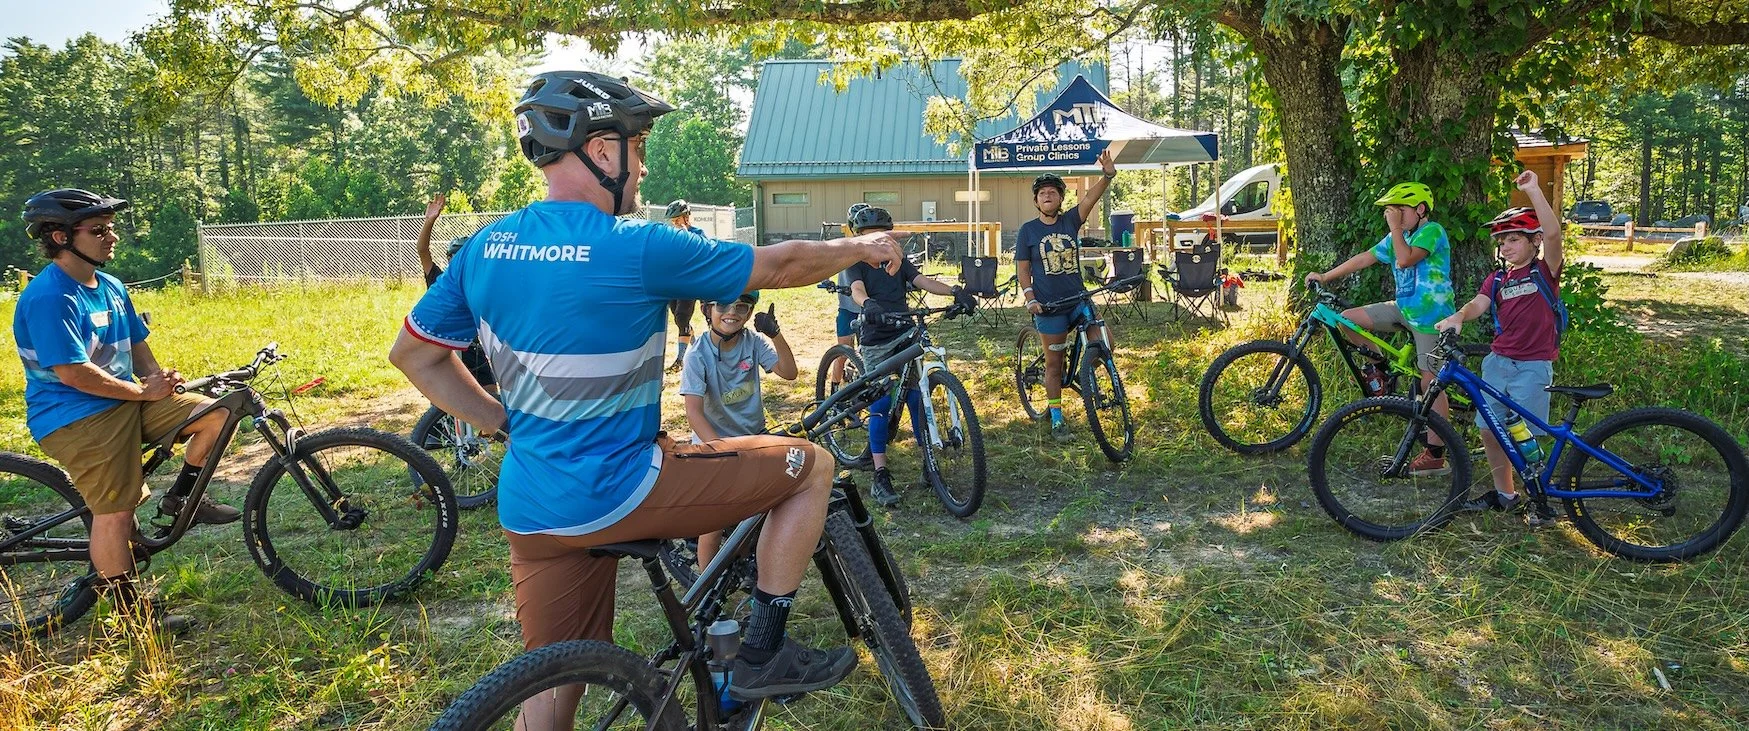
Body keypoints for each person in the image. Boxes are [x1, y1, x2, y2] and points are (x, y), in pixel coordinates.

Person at [387, 70, 907, 728]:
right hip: (621, 487)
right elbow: (779, 265)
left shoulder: (486, 247)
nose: (643, 167)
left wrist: (500, 421)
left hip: (532, 508)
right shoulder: (636, 244)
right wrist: (858, 245)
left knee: (553, 686)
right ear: (601, 151)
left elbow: (414, 355)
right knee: (812, 466)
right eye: (638, 148)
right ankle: (762, 652)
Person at [13, 188, 238, 631]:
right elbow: (74, 373)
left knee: (218, 414)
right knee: (116, 512)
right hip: (74, 415)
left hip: (124, 401)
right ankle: (133, 618)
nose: (111, 237)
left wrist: (158, 380)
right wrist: (142, 393)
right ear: (60, 237)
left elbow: (136, 345)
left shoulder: (111, 286)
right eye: (99, 230)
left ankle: (181, 499)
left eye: (111, 228)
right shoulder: (50, 297)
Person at [1438, 170, 1565, 525]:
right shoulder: (1497, 279)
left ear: (1534, 242)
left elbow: (1554, 234)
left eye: (1514, 239)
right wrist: (1459, 317)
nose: (1506, 246)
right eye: (1502, 241)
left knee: (1525, 435)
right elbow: (1478, 303)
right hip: (1498, 362)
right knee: (1489, 428)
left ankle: (1539, 499)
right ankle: (1505, 495)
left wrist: (1534, 190)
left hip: (1533, 365)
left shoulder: (1545, 271)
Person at [1304, 181, 1456, 475]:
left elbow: (1405, 259)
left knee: (1431, 383)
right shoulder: (1400, 235)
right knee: (1347, 318)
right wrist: (1325, 276)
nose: (1394, 215)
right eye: (1392, 211)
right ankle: (1380, 370)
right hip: (1404, 309)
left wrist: (1395, 228)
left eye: (1400, 209)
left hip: (1431, 318)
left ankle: (1436, 455)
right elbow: (1366, 257)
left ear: (1420, 209)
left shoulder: (1432, 231)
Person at [844, 206, 978, 507]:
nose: (877, 240)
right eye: (870, 235)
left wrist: (955, 291)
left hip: (904, 331)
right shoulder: (857, 262)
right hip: (877, 337)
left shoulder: (898, 260)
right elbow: (856, 289)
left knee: (918, 398)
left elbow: (922, 281)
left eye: (882, 234)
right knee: (880, 403)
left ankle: (928, 460)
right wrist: (867, 305)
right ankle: (880, 474)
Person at [678, 291, 797, 566]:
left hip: (754, 437)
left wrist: (775, 334)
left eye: (741, 307)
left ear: (749, 314)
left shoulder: (753, 343)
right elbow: (694, 413)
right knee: (715, 519)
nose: (731, 312)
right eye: (723, 305)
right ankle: (706, 582)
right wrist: (722, 450)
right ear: (707, 310)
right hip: (715, 444)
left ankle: (746, 561)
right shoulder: (697, 355)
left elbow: (789, 372)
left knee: (767, 503)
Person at [1015, 151, 1117, 442]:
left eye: (1052, 192)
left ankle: (1084, 373)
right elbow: (1023, 270)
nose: (1047, 196)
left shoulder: (1070, 221)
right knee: (1054, 365)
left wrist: (1107, 176)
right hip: (1049, 307)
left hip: (1078, 301)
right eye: (1042, 193)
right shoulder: (1028, 231)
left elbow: (1090, 199)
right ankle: (1057, 419)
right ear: (1036, 201)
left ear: (1060, 198)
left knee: (1106, 343)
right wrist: (1030, 298)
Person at [413, 193, 497, 393]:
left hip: (474, 350)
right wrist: (429, 221)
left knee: (492, 398)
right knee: (450, 402)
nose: (458, 262)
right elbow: (423, 250)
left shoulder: (480, 283)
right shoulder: (441, 281)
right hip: (446, 349)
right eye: (454, 257)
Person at [826, 203, 871, 390]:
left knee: (870, 351)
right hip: (847, 306)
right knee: (843, 351)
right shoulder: (845, 247)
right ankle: (834, 389)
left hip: (868, 307)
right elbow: (827, 263)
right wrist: (827, 281)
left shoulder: (873, 247)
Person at [665, 199, 705, 372]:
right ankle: (697, 349)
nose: (675, 224)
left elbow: (700, 253)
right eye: (673, 221)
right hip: (674, 283)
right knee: (678, 318)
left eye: (677, 220)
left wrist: (685, 235)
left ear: (686, 218)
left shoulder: (697, 233)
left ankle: (680, 360)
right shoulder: (671, 236)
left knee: (682, 317)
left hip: (690, 282)